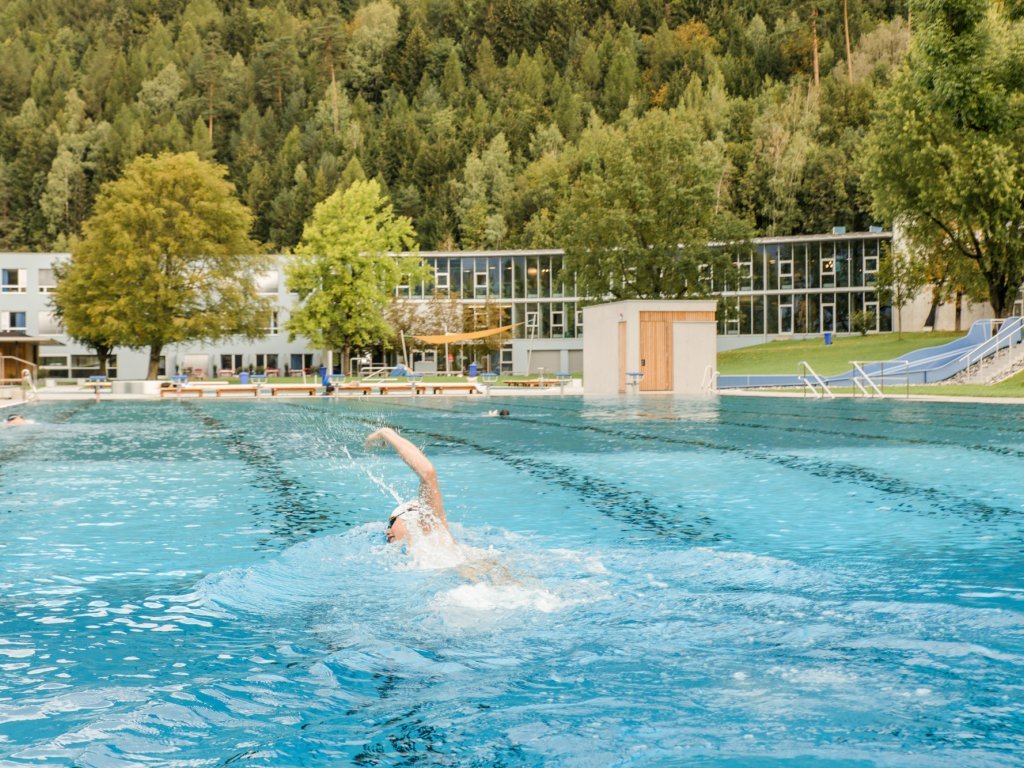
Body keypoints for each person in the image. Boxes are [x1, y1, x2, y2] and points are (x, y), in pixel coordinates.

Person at [364, 427, 454, 546]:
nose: (387, 531)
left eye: (392, 522)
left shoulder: (430, 532)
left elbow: (427, 473)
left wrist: (387, 434)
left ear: (415, 519)